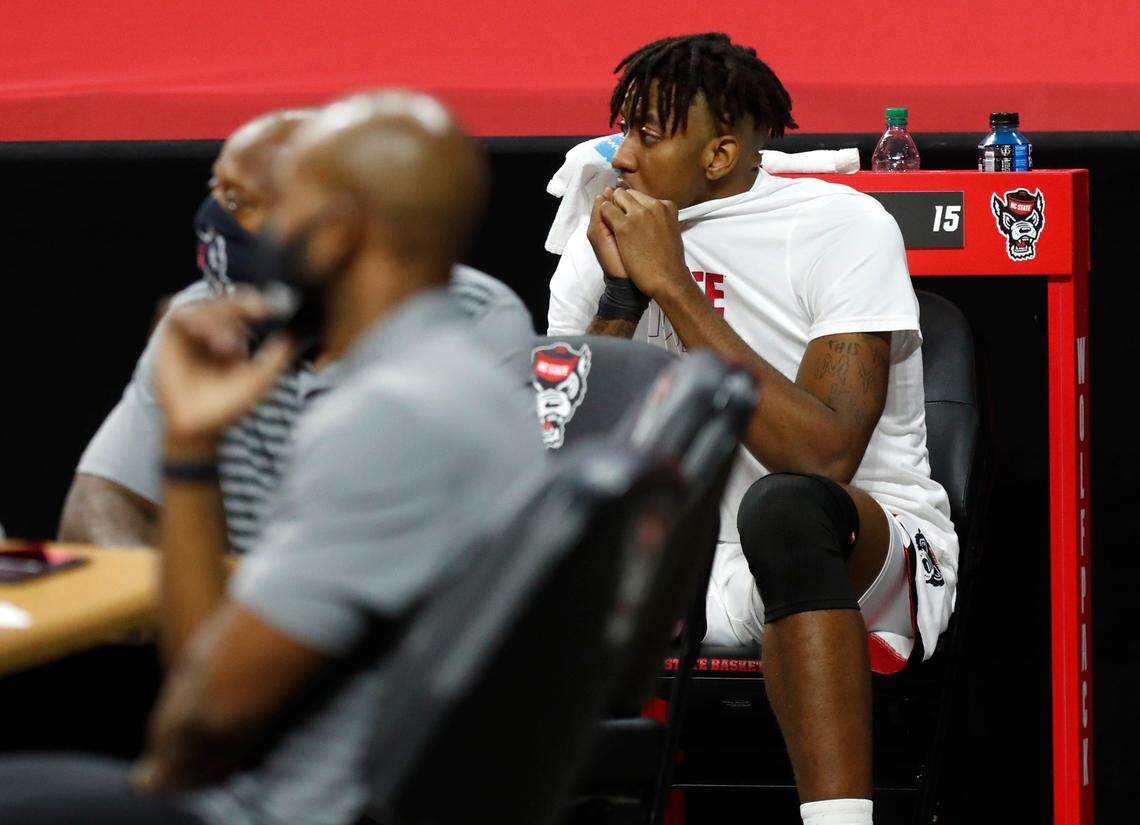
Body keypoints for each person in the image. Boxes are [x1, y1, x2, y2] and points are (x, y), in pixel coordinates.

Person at [0, 91, 541, 825]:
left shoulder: (394, 412)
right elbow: (206, 679)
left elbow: (210, 713)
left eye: (277, 207)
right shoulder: (451, 379)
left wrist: (159, 785)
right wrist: (191, 449)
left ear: (336, 234)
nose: (237, 230)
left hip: (288, 800)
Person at [547, 33, 957, 825]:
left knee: (786, 506)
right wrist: (627, 296)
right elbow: (562, 452)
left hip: (857, 549)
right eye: (622, 130)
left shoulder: (840, 224)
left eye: (648, 135)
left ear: (719, 153)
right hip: (683, 562)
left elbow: (826, 454)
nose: (622, 157)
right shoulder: (597, 244)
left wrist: (674, 284)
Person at [60, 109, 536, 553]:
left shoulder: (469, 323)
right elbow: (100, 499)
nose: (212, 220)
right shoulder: (203, 317)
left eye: (237, 201)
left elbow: (480, 551)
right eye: (216, 190)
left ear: (333, 223)